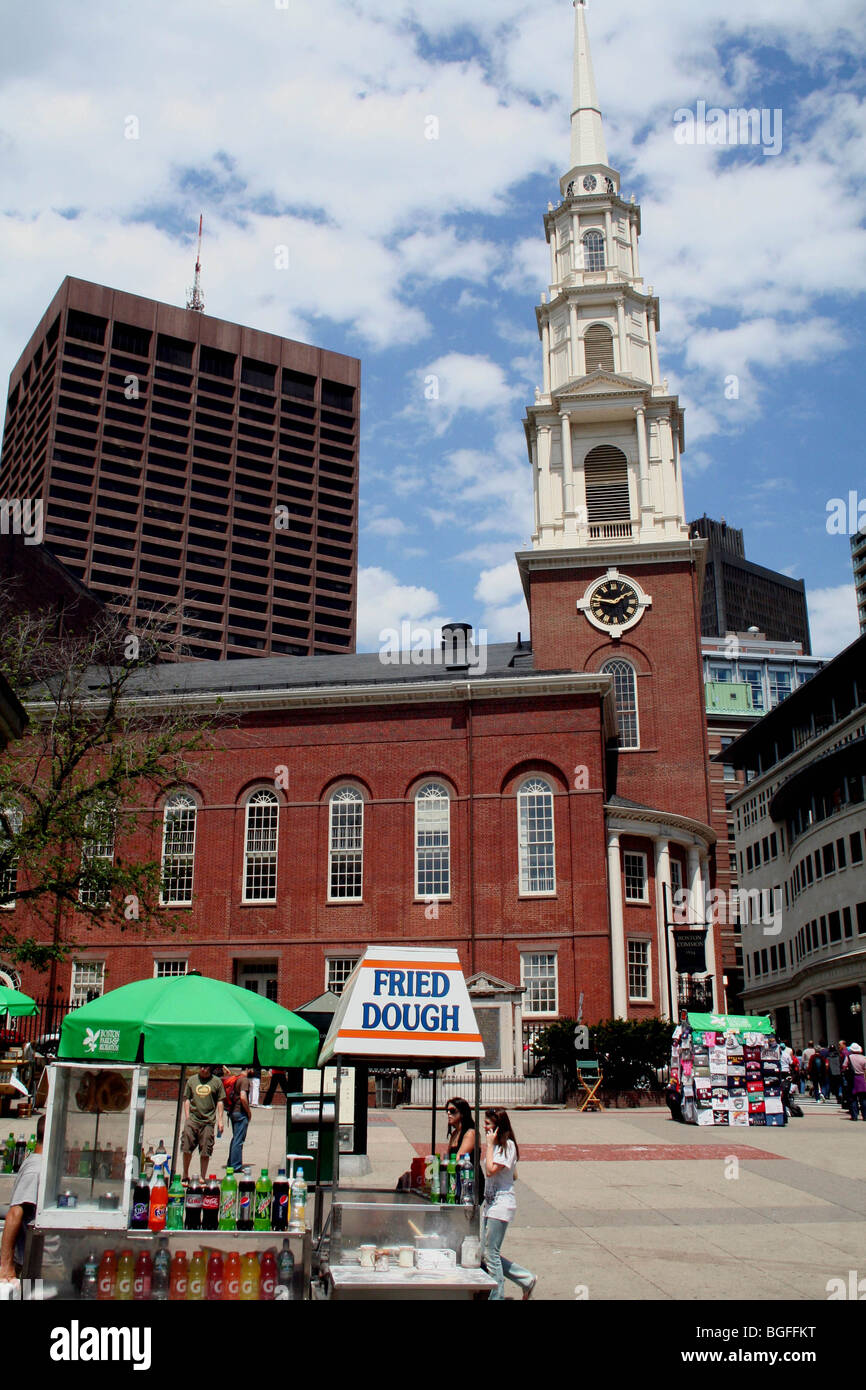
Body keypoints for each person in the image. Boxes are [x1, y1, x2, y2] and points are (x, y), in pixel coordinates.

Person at [480, 1107, 536, 1301]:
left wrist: (488, 1146)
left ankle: (497, 1295)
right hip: (490, 1204)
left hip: (502, 1204)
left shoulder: (507, 1146)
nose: (485, 1127)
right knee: (484, 1253)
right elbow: (512, 1174)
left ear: (498, 1127)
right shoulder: (497, 1146)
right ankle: (526, 1278)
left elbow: (490, 1171)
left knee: (491, 1254)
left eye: (488, 1124)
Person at [0, 1115, 45, 1281]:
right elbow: (14, 1214)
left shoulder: (38, 1163)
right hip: (34, 1266)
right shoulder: (36, 1170)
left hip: (42, 1263)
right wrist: (6, 1266)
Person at [182, 1064, 225, 1181]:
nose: (202, 1069)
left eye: (205, 1067)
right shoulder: (192, 1080)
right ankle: (185, 1174)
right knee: (186, 1147)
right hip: (193, 1119)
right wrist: (187, 1117)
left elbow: (220, 1101)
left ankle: (202, 1176)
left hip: (208, 1121)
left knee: (206, 1150)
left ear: (210, 1068)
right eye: (201, 1067)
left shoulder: (216, 1082)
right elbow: (186, 1099)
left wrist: (220, 1121)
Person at [227, 1066, 252, 1172]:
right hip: (240, 1112)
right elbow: (243, 1097)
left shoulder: (237, 1078)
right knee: (239, 1140)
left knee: (235, 1138)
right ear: (248, 1069)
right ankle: (236, 1166)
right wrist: (248, 1111)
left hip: (233, 1112)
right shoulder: (245, 1080)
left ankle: (231, 1163)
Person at [843, 1042, 866, 1121]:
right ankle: (865, 1116)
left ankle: (854, 1116)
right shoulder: (864, 1058)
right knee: (863, 1099)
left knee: (853, 1098)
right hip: (862, 1079)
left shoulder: (849, 1057)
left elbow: (844, 1066)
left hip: (852, 1079)